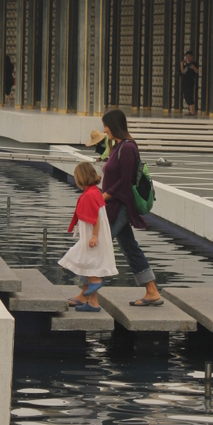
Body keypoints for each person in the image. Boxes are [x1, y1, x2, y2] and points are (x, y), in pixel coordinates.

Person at [100, 108, 163, 306]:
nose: (104, 130)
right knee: (129, 246)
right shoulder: (118, 146)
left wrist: (102, 197)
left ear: (114, 125)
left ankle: (86, 292)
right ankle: (151, 291)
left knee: (99, 242)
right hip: (115, 205)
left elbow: (125, 181)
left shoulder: (127, 148)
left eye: (106, 126)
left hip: (120, 206)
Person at [60, 162, 118, 311]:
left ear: (80, 178)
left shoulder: (89, 195)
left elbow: (95, 217)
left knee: (84, 260)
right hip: (94, 234)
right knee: (90, 262)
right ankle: (93, 303)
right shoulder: (94, 191)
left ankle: (96, 281)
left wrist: (94, 236)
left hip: (92, 235)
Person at [179, 51, 198, 115]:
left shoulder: (194, 64)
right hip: (185, 82)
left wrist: (194, 68)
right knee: (186, 95)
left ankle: (192, 111)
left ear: (192, 57)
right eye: (187, 57)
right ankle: (191, 110)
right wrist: (181, 65)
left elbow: (197, 71)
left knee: (189, 95)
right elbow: (182, 72)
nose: (188, 58)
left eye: (189, 56)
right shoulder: (186, 65)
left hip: (190, 82)